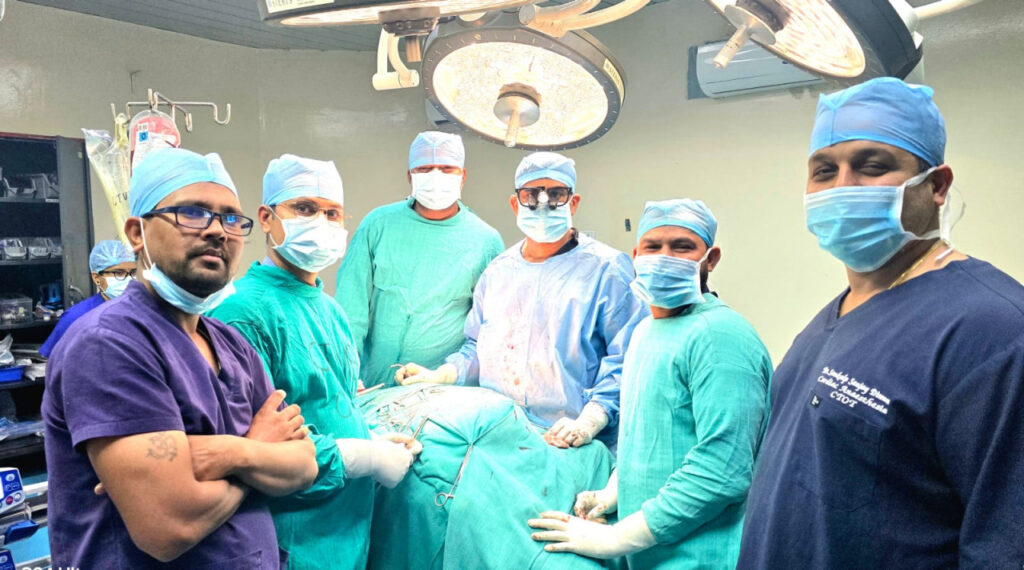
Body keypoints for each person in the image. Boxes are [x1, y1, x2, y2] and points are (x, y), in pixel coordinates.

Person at [738, 78, 1024, 568]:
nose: (842, 187)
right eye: (824, 171)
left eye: (872, 167)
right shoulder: (833, 316)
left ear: (937, 185)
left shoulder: (993, 330)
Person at [43, 148, 318, 569]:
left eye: (231, 218)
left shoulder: (232, 344)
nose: (218, 231)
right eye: (192, 213)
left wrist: (231, 454)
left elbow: (303, 466)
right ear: (137, 233)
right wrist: (258, 450)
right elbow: (169, 527)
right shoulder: (108, 344)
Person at [529, 199, 772, 567]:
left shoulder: (721, 337)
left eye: (682, 247)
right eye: (653, 247)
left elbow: (722, 471)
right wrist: (614, 493)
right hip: (649, 553)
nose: (664, 258)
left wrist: (615, 538)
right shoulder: (645, 331)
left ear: (711, 259)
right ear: (635, 256)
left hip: (699, 557)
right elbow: (644, 438)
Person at [209, 154, 421, 569]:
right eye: (304, 208)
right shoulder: (242, 313)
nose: (321, 222)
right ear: (266, 218)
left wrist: (371, 436)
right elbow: (253, 453)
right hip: (293, 539)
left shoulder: (330, 309)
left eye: (332, 213)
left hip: (345, 530)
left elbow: (331, 404)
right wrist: (363, 457)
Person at [396, 152, 648, 449]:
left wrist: (591, 419)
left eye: (556, 194)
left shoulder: (607, 270)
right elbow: (477, 347)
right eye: (531, 195)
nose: (543, 203)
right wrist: (443, 374)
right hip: (500, 433)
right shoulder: (498, 272)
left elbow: (629, 357)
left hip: (572, 441)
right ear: (515, 204)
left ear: (573, 203)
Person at [336, 131, 504, 388]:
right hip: (374, 385)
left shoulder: (485, 241)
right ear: (410, 176)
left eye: (446, 169)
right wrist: (346, 374)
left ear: (462, 177)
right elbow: (350, 310)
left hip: (444, 388)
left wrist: (447, 375)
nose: (436, 176)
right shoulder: (378, 225)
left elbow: (487, 331)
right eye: (425, 169)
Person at [39, 240, 136, 357]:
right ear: (97, 278)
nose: (129, 279)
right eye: (119, 273)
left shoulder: (144, 312)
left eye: (134, 272)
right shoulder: (77, 317)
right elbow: (54, 361)